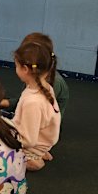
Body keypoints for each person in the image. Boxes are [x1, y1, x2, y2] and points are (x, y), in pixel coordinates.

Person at [12, 41, 61, 171]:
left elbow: (28, 141)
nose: (15, 69)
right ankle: (40, 152)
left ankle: (34, 159)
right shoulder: (45, 86)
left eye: (16, 66)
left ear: (25, 69)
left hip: (34, 144)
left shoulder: (32, 102)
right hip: (45, 139)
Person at [1, 32, 69, 119]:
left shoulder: (54, 83)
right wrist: (3, 103)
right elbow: (22, 101)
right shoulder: (35, 76)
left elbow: (33, 121)